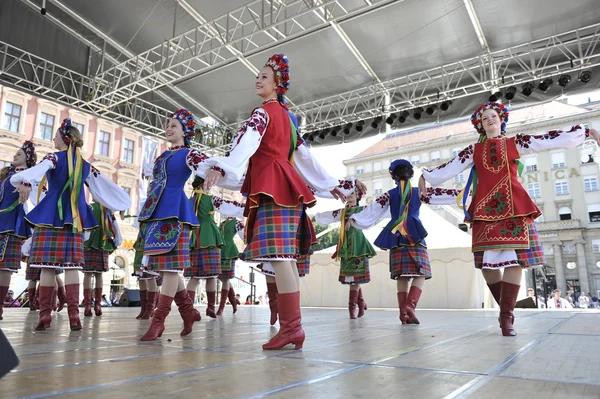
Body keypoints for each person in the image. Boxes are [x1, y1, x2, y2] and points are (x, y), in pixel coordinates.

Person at [198, 54, 364, 350]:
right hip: (286, 186)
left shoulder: (263, 113)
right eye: (257, 76)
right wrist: (331, 185)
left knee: (280, 259)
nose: (257, 80)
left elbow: (246, 144)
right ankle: (292, 328)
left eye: (263, 76)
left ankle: (291, 328)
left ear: (277, 84)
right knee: (283, 259)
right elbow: (306, 159)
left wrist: (221, 167)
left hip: (272, 186)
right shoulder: (287, 119)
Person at [420, 100, 600, 336]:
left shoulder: (516, 142)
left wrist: (586, 132)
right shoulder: (473, 151)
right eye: (485, 118)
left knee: (516, 261)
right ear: (480, 126)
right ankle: (507, 306)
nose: (490, 119)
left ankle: (507, 317)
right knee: (487, 265)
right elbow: (450, 167)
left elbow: (547, 139)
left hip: (515, 205)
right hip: (484, 209)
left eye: (493, 115)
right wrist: (425, 176)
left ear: (501, 119)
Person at [10, 119, 131, 331]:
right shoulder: (85, 165)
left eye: (55, 135)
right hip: (75, 217)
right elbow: (102, 187)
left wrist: (24, 181)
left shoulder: (53, 158)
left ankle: (45, 315)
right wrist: (121, 203)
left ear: (65, 138)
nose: (53, 138)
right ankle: (74, 313)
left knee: (47, 266)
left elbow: (38, 171)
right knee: (73, 266)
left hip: (50, 215)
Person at [137, 109, 223, 341]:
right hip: (157, 211)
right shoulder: (161, 156)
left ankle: (159, 321)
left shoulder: (189, 154)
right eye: (167, 125)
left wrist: (215, 168)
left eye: (174, 125)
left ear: (185, 131)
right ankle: (188, 311)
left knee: (170, 268)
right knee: (168, 267)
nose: (168, 128)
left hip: (175, 211)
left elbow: (207, 164)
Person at [347, 159, 459, 324]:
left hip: (396, 236)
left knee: (402, 276)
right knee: (422, 273)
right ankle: (410, 307)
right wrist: (467, 193)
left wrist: (354, 218)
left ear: (393, 176)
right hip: (415, 234)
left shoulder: (389, 195)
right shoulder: (418, 192)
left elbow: (374, 209)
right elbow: (444, 194)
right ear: (412, 174)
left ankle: (403, 314)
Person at [184, 176, 244, 319]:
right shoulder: (211, 199)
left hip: (193, 240)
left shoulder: (189, 201)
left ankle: (188, 309)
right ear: (205, 184)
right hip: (210, 237)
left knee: (194, 277)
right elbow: (229, 207)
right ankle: (210, 307)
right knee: (211, 276)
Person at [315, 190, 376, 319]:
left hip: (358, 246)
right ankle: (361, 303)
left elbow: (376, 211)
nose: (349, 196)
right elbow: (329, 215)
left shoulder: (362, 209)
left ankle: (352, 308)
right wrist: (317, 216)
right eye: (347, 194)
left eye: (352, 194)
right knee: (352, 279)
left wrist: (353, 219)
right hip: (346, 246)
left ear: (358, 196)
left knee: (354, 279)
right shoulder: (342, 212)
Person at [0, 141, 39, 320]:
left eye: (20, 154)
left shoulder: (30, 176)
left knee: (4, 267)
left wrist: (27, 183)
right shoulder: (6, 174)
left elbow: (40, 192)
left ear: (28, 160)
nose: (15, 156)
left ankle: (0, 306)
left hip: (11, 223)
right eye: (15, 153)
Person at [82, 201, 122, 317]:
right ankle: (98, 305)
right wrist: (117, 239)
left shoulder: (89, 207)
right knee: (99, 274)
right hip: (103, 243)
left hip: (89, 243)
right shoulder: (108, 209)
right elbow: (115, 226)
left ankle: (87, 305)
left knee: (87, 274)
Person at [216, 217, 244, 316]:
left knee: (226, 279)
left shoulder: (236, 222)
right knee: (222, 278)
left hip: (229, 251)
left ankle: (221, 307)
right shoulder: (223, 222)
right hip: (220, 250)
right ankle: (233, 301)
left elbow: (244, 234)